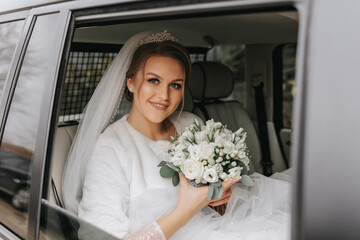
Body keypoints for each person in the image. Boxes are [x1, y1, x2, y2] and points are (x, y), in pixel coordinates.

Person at [62, 30, 291, 240]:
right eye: (154, 80)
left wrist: (220, 200)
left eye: (175, 85)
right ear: (130, 82)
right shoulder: (111, 148)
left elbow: (214, 205)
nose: (164, 95)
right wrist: (185, 211)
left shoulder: (191, 123)